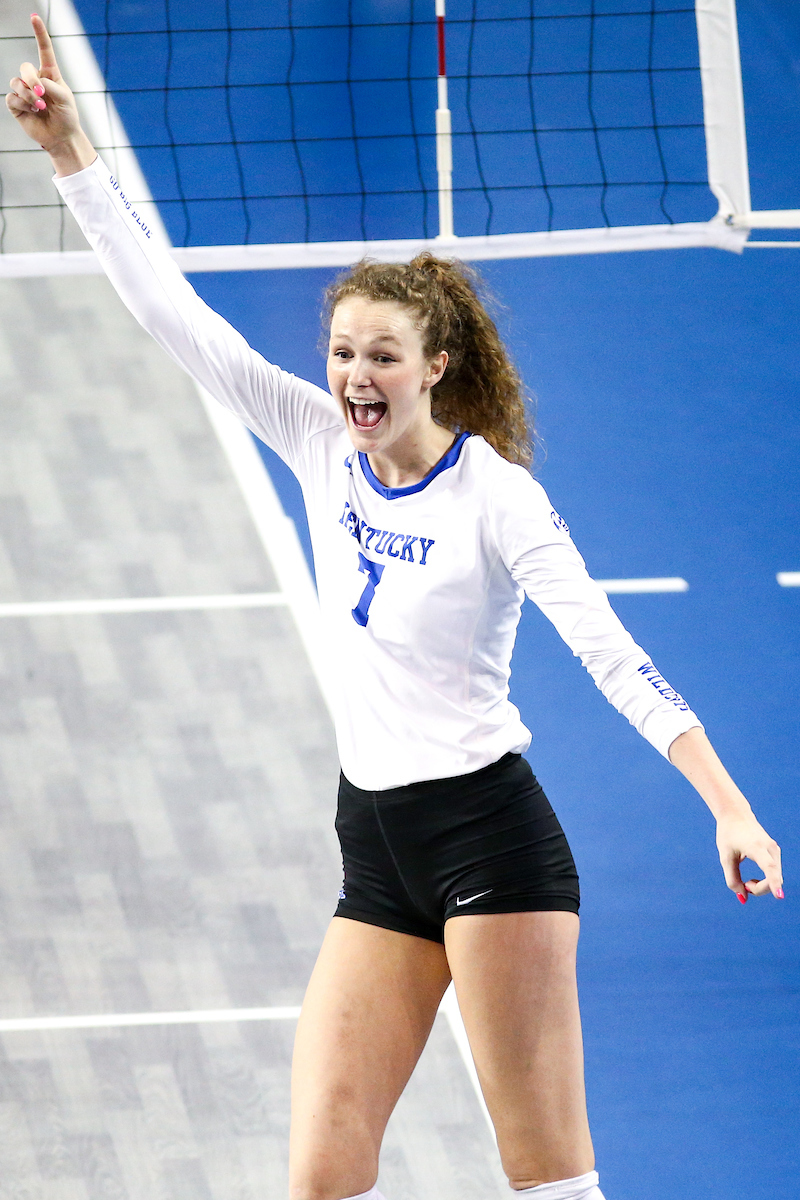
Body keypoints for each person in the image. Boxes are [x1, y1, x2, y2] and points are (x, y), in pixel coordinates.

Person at [6, 16, 783, 1200]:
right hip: (372, 840)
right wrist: (74, 159)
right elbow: (176, 318)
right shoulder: (317, 442)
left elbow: (611, 657)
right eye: (340, 353)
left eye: (380, 356)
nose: (353, 378)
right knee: (322, 1174)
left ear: (433, 367)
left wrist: (728, 806)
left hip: (489, 840)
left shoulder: (497, 499)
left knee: (549, 1182)